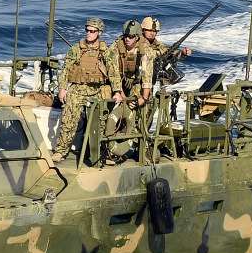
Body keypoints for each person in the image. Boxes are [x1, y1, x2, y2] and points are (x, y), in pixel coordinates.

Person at [54, 18, 123, 163]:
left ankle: (102, 153)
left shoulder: (107, 52)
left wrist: (117, 91)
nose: (89, 33)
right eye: (87, 30)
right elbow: (65, 70)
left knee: (102, 123)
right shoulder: (76, 50)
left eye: (92, 31)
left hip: (98, 90)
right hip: (78, 89)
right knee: (69, 121)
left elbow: (114, 73)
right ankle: (61, 151)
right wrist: (62, 89)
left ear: (99, 33)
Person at [137, 15, 189, 105]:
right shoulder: (137, 44)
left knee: (148, 112)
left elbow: (170, 54)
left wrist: (182, 53)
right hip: (136, 83)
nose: (152, 33)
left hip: (149, 85)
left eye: (155, 31)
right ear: (143, 30)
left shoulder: (158, 46)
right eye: (149, 30)